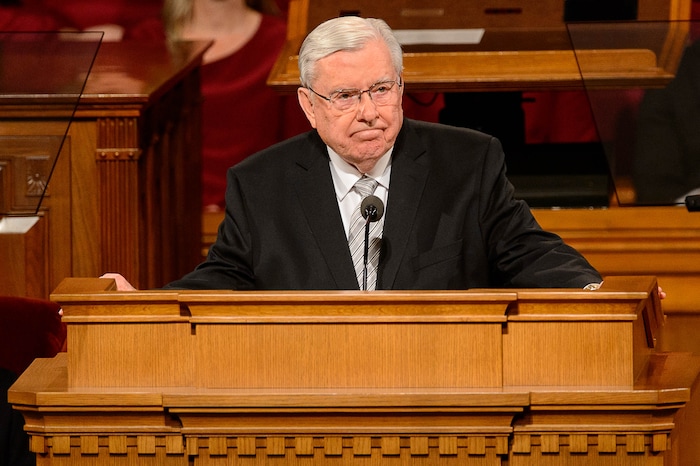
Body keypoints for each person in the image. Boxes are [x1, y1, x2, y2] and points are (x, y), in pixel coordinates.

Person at [107, 15, 604, 292]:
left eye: (381, 89)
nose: (369, 111)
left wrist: (594, 293)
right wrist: (150, 307)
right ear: (309, 105)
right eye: (345, 96)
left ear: (402, 88)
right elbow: (226, 276)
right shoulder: (263, 184)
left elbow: (525, 248)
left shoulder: (467, 164)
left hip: (439, 397)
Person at [127, 0, 310, 212]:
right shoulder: (146, 40)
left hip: (255, 222)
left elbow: (299, 157)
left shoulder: (284, 45)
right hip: (164, 221)